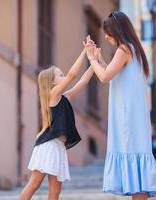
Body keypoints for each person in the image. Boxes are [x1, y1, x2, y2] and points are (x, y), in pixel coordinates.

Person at [84, 11, 156, 199]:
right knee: (138, 176)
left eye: (108, 32)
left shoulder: (124, 50)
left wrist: (91, 58)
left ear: (117, 31)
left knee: (135, 174)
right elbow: (113, 74)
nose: (105, 36)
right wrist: (99, 58)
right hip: (135, 118)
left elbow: (104, 77)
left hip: (128, 119)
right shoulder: (133, 49)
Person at [19, 37, 97, 200]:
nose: (64, 77)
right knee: (34, 184)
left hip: (58, 147)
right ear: (52, 83)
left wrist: (94, 61)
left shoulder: (64, 97)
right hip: (48, 145)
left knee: (55, 191)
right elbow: (72, 75)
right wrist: (84, 52)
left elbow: (82, 81)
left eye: (62, 75)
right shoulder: (52, 95)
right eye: (60, 75)